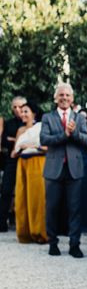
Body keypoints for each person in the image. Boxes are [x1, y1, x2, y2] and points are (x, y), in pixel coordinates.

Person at [40, 83, 87, 258]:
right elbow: (44, 139)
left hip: (74, 168)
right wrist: (65, 135)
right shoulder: (48, 117)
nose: (64, 98)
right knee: (52, 207)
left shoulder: (79, 118)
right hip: (54, 168)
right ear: (56, 98)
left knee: (75, 208)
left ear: (72, 98)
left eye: (68, 95)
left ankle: (74, 244)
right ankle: (52, 243)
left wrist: (74, 133)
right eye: (61, 95)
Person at [12, 101, 47, 243]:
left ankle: (39, 232)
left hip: (37, 161)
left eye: (26, 111)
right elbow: (13, 153)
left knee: (37, 198)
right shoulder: (20, 130)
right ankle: (24, 233)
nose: (23, 114)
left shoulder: (41, 127)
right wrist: (20, 148)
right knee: (22, 197)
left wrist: (31, 146)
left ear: (34, 113)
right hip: (22, 163)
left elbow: (47, 147)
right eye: (22, 111)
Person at [0, 96, 26, 231]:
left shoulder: (31, 122)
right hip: (11, 160)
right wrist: (19, 140)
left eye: (20, 106)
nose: (17, 109)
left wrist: (14, 139)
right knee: (6, 190)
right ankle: (2, 222)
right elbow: (4, 141)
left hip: (28, 160)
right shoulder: (9, 123)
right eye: (14, 107)